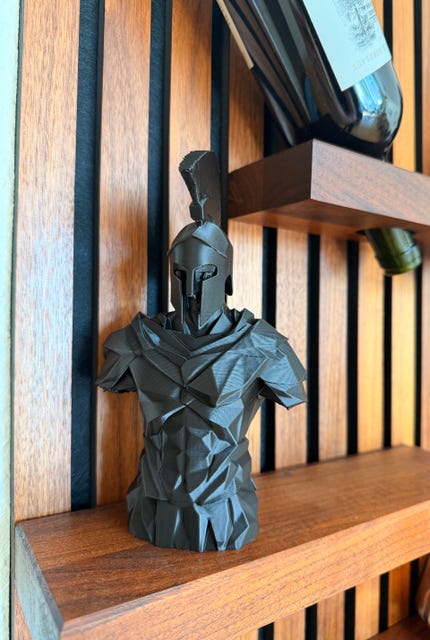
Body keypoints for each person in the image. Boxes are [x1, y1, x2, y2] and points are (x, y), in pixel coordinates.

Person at [97, 151, 306, 551]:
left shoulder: (262, 347)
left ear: (226, 275)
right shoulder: (135, 342)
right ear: (169, 273)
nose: (191, 287)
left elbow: (290, 387)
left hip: (227, 514)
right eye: (180, 273)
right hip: (151, 510)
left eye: (205, 274)